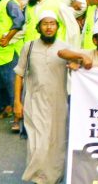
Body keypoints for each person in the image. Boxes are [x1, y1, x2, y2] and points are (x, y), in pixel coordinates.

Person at [13, 11, 69, 184]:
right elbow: (19, 74)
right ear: (38, 27)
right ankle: (39, 179)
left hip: (58, 105)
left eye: (52, 24)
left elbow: (83, 64)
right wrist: (17, 102)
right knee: (38, 144)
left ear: (57, 27)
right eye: (45, 24)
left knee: (57, 145)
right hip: (34, 103)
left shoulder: (65, 49)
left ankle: (53, 179)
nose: (49, 27)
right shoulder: (28, 47)